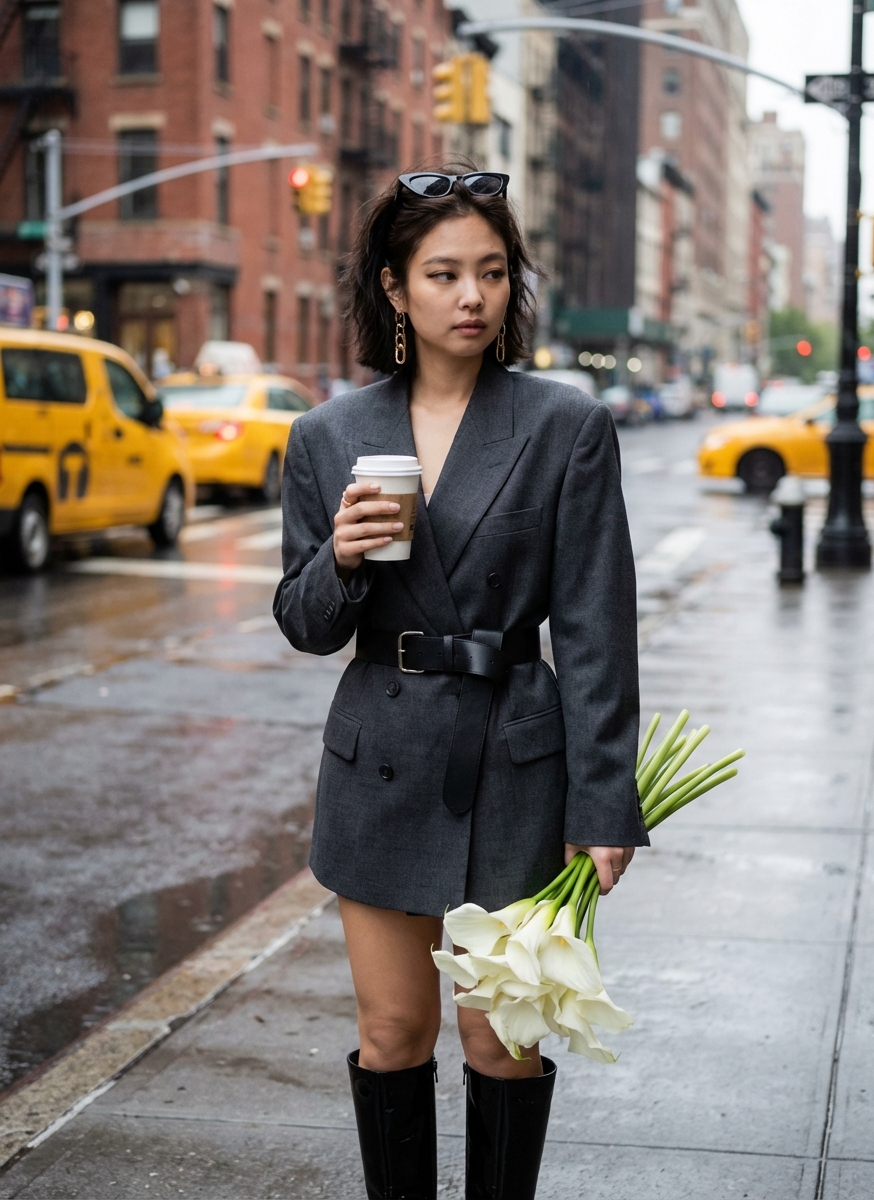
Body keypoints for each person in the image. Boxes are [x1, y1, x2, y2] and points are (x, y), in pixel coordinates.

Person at [274, 167, 648, 1200]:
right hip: (379, 755)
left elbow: (594, 627)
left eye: (491, 271)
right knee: (392, 1030)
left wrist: (602, 802)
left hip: (516, 757)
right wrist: (340, 562)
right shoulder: (327, 436)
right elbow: (307, 627)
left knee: (501, 1037)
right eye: (442, 273)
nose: (471, 296)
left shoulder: (562, 425)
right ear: (394, 289)